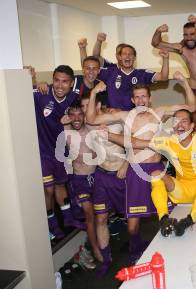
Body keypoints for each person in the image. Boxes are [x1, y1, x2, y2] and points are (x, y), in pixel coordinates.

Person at [86, 71, 196, 263]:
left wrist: (185, 83)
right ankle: (136, 254)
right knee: (132, 226)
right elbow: (91, 120)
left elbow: (192, 107)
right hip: (136, 172)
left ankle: (179, 252)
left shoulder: (160, 112)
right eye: (137, 97)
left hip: (155, 169)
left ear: (150, 97)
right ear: (132, 99)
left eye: (144, 96)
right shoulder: (124, 115)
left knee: (172, 214)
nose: (141, 100)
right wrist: (94, 92)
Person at [104, 109, 196, 237]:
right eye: (176, 122)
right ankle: (163, 219)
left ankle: (191, 218)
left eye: (184, 121)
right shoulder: (169, 141)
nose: (180, 125)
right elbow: (136, 142)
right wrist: (108, 135)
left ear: (192, 126)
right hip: (181, 192)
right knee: (155, 174)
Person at [31, 65, 83, 239]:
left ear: (71, 83)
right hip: (43, 151)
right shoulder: (41, 94)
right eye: (57, 80)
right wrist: (29, 77)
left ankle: (68, 218)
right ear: (53, 80)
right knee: (49, 190)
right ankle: (52, 223)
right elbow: (17, 91)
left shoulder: (74, 100)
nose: (60, 85)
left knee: (61, 185)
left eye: (65, 82)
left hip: (61, 153)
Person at [81, 92, 128, 276]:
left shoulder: (116, 119)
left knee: (131, 216)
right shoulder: (85, 123)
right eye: (83, 107)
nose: (86, 110)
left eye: (88, 106)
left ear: (98, 105)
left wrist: (126, 163)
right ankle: (107, 259)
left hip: (121, 173)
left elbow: (134, 141)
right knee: (101, 218)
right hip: (101, 176)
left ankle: (135, 252)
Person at [61, 100, 102, 265]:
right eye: (73, 114)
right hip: (79, 180)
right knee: (89, 214)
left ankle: (94, 245)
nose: (76, 118)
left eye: (80, 114)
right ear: (68, 116)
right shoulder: (65, 132)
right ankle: (96, 249)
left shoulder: (91, 129)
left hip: (96, 177)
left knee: (100, 215)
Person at [151, 15, 196, 92]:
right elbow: (156, 44)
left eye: (192, 34)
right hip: (193, 89)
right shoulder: (181, 49)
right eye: (186, 35)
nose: (189, 38)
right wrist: (158, 31)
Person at [97, 43, 169, 110]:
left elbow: (163, 77)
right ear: (120, 57)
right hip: (114, 118)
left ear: (134, 58)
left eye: (130, 54)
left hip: (136, 117)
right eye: (124, 54)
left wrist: (165, 59)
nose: (127, 56)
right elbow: (89, 69)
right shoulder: (110, 72)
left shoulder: (142, 74)